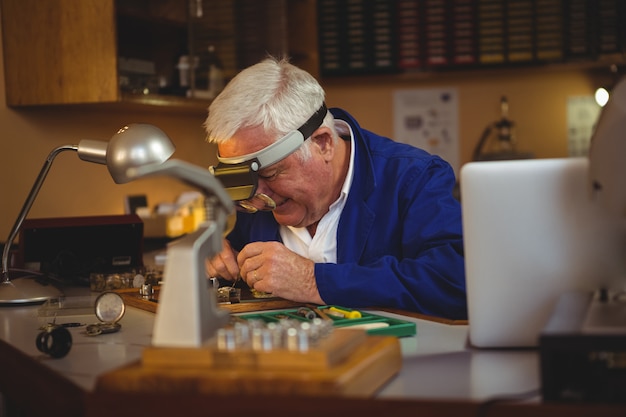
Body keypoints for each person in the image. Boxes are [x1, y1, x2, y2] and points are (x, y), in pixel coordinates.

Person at [204, 57, 467, 320]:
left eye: (271, 173)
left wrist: (314, 281)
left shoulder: (413, 179)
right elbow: (235, 264)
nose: (259, 201)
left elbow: (453, 281)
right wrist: (219, 262)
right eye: (245, 184)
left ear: (323, 143)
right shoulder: (260, 199)